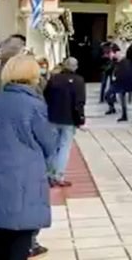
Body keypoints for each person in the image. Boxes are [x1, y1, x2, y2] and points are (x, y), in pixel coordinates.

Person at [0, 55, 56, 260]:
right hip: (25, 172)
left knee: (1, 231)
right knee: (22, 233)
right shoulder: (34, 104)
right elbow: (48, 141)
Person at [44, 57, 86, 187]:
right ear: (75, 67)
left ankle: (49, 174)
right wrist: (80, 119)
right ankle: (59, 175)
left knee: (52, 147)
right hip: (69, 119)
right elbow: (80, 102)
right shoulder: (79, 81)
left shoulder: (54, 79)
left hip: (52, 117)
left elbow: (46, 96)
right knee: (64, 147)